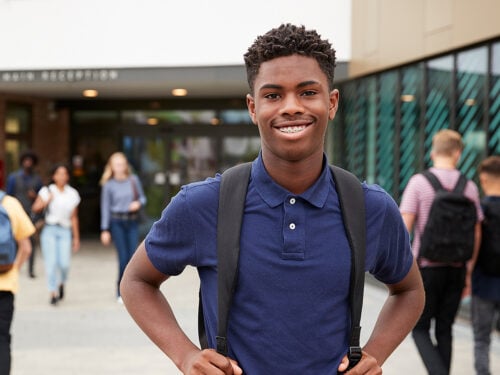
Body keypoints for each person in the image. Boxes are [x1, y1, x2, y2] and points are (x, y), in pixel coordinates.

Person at [120, 23, 425, 374]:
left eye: (308, 92)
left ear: (332, 102)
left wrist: (376, 352)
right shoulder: (203, 204)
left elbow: (410, 291)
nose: (291, 107)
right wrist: (185, 354)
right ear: (253, 107)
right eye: (273, 95)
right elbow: (136, 281)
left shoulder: (370, 207)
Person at [399, 129, 483, 375]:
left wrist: (403, 271)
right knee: (445, 328)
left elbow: (405, 229)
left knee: (420, 328)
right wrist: (468, 270)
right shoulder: (469, 187)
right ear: (458, 153)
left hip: (425, 268)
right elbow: (477, 233)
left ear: (433, 151)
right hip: (456, 269)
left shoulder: (418, 182)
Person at [99, 152, 146, 303]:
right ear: (111, 167)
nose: (119, 167)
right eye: (116, 164)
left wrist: (138, 203)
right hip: (117, 222)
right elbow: (105, 207)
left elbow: (142, 198)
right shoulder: (108, 185)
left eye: (121, 164)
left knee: (133, 257)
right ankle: (120, 291)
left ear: (125, 165)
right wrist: (104, 229)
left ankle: (134, 290)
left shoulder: (133, 180)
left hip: (131, 221)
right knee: (123, 257)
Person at [32, 164, 81, 305]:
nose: (62, 176)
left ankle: (61, 283)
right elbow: (35, 208)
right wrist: (47, 200)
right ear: (54, 176)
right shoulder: (47, 190)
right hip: (49, 229)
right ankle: (52, 292)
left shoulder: (72, 194)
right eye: (59, 173)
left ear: (67, 176)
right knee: (51, 263)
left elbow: (74, 218)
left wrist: (76, 238)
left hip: (65, 230)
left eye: (64, 173)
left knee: (64, 263)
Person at [0, 191, 35, 374]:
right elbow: (26, 248)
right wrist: (13, 269)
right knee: (2, 340)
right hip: (5, 286)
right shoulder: (10, 203)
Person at [471, 155, 500, 375]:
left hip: (483, 284)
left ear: (483, 179)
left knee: (482, 339)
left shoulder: (480, 210)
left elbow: (473, 246)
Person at [6, 150, 43, 278]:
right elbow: (8, 196)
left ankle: (31, 269)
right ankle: (13, 265)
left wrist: (35, 196)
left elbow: (41, 197)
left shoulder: (37, 179)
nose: (28, 163)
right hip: (16, 214)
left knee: (31, 243)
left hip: (30, 214)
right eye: (26, 160)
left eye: (30, 161)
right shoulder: (13, 177)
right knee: (15, 242)